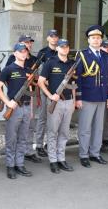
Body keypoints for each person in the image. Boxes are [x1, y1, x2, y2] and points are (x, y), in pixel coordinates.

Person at [0, 43, 34, 179]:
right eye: (21, 51)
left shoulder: (29, 70)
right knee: (11, 138)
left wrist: (31, 109)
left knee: (23, 137)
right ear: (15, 53)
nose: (24, 53)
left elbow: (31, 91)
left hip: (27, 106)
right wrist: (7, 102)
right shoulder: (8, 69)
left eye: (25, 51)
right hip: (15, 108)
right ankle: (10, 166)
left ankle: (20, 164)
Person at [75, 25, 108, 168]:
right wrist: (78, 97)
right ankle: (84, 155)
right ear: (88, 40)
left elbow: (107, 77)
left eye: (98, 38)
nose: (96, 40)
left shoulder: (104, 55)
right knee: (85, 128)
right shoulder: (82, 55)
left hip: (102, 96)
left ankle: (95, 153)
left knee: (99, 128)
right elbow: (78, 78)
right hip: (87, 96)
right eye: (93, 38)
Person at [37, 39, 76, 174]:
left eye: (66, 47)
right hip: (56, 102)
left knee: (64, 133)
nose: (64, 49)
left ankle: (61, 158)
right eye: (62, 47)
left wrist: (74, 101)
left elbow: (73, 86)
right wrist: (50, 95)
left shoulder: (72, 64)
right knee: (53, 132)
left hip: (68, 102)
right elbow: (41, 82)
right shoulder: (50, 62)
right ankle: (53, 160)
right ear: (58, 48)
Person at [6, 35, 42, 163]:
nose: (28, 45)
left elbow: (36, 78)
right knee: (13, 130)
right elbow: (6, 78)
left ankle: (27, 152)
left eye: (30, 43)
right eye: (26, 43)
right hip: (15, 98)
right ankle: (12, 158)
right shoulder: (12, 59)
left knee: (29, 126)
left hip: (29, 95)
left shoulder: (33, 59)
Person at [34, 29, 59, 158]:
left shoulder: (60, 51)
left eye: (56, 37)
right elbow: (37, 72)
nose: (55, 39)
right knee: (43, 118)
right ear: (48, 38)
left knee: (54, 120)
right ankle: (39, 145)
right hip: (46, 90)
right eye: (52, 36)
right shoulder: (43, 53)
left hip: (57, 92)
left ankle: (50, 144)